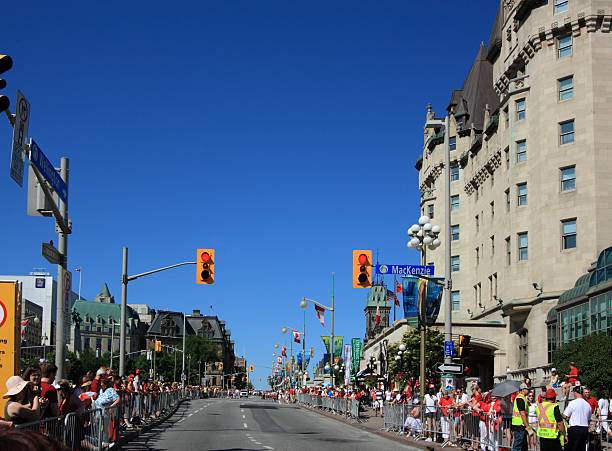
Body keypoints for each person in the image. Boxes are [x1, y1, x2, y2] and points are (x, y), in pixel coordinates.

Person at [563, 386, 592, 451]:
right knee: (581, 448)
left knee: (572, 448)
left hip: (574, 429)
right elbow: (589, 419)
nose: (573, 394)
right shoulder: (587, 404)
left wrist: (561, 415)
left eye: (573, 393)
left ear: (576, 392)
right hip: (584, 429)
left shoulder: (573, 403)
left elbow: (565, 415)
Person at [511, 383, 533, 451]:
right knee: (517, 446)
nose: (529, 391)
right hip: (520, 425)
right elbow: (522, 413)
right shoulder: (520, 398)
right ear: (523, 390)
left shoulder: (522, 398)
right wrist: (528, 427)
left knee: (523, 446)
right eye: (527, 389)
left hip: (520, 425)